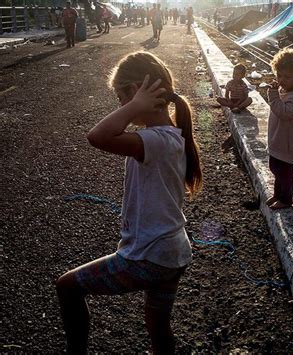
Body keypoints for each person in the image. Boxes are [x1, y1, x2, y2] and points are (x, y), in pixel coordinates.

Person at [56, 51, 202, 354]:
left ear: (136, 91)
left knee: (68, 286)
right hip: (172, 252)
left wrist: (135, 104)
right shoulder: (168, 137)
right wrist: (136, 103)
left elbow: (97, 136)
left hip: (148, 255)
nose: (121, 107)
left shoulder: (155, 141)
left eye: (122, 98)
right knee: (157, 324)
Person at [266, 48, 293, 210]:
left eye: (287, 77)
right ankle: (278, 195)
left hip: (287, 143)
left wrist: (273, 95)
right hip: (277, 139)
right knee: (275, 168)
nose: (282, 80)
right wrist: (276, 93)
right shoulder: (282, 90)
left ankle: (286, 199)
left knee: (284, 172)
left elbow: (283, 113)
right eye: (279, 75)